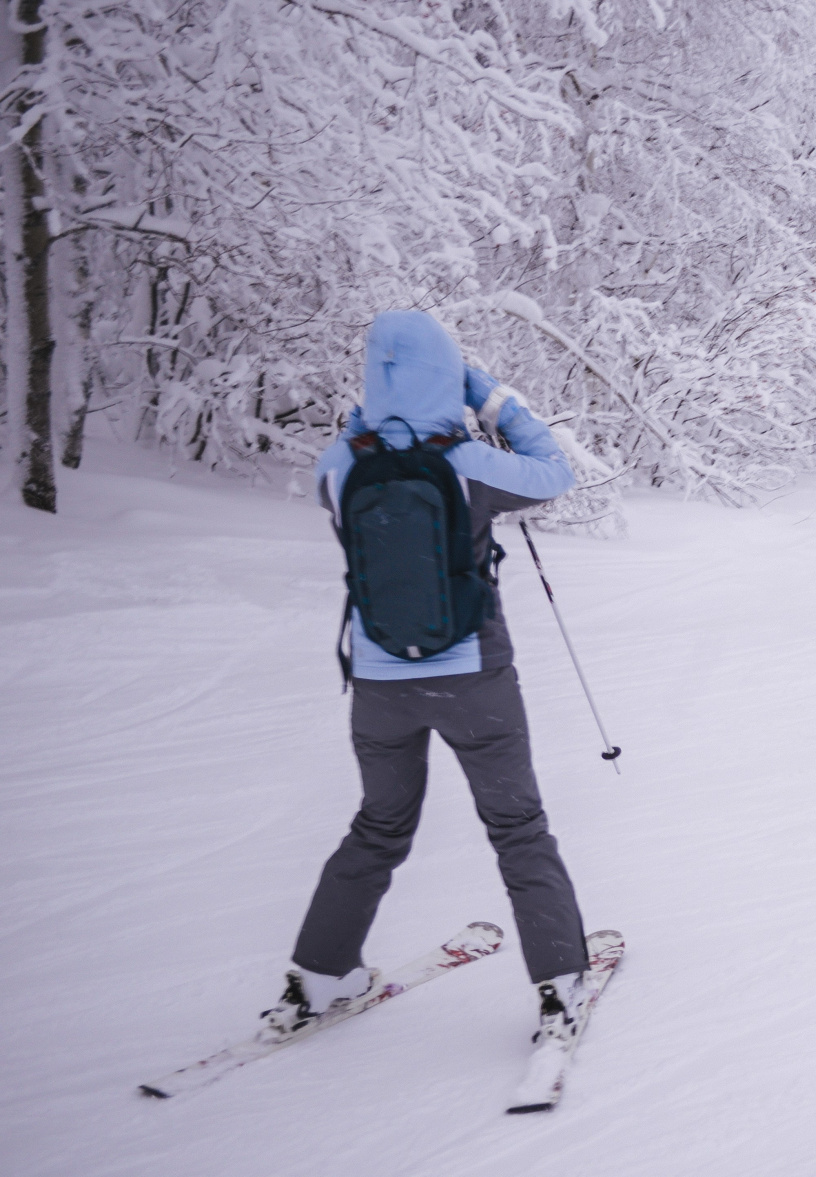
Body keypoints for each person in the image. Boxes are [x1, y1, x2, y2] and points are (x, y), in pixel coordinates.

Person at [262, 311, 592, 1048]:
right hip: (474, 678)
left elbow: (331, 474)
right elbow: (556, 471)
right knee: (517, 826)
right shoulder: (467, 461)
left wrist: (362, 423)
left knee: (378, 826)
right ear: (451, 375)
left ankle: (318, 977)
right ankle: (560, 983)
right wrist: (495, 401)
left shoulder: (342, 465)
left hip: (379, 687)